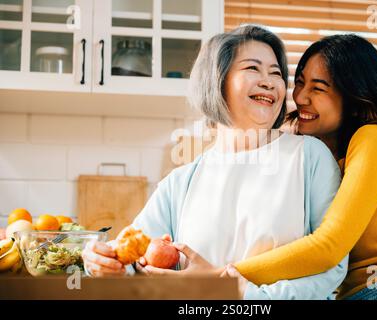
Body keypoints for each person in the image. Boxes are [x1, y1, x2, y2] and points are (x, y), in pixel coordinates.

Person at [81, 25, 348, 299]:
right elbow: (135, 263)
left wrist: (235, 293)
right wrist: (101, 263)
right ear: (216, 80)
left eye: (276, 73)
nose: (269, 81)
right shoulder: (181, 181)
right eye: (253, 68)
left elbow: (332, 267)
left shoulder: (309, 157)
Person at [233, 34, 377, 300]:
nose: (301, 97)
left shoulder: (374, 137)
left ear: (355, 96)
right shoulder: (317, 159)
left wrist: (223, 277)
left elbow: (328, 246)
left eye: (318, 88)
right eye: (300, 83)